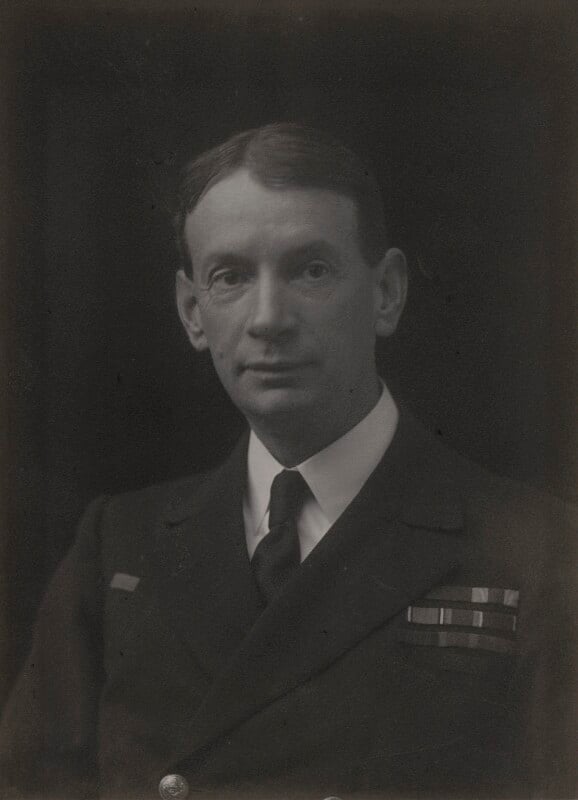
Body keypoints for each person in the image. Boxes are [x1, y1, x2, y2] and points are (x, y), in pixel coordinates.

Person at [0, 123, 576, 800]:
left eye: (311, 269)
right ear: (192, 311)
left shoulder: (542, 552)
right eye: (231, 276)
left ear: (387, 292)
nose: (268, 317)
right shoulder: (117, 546)